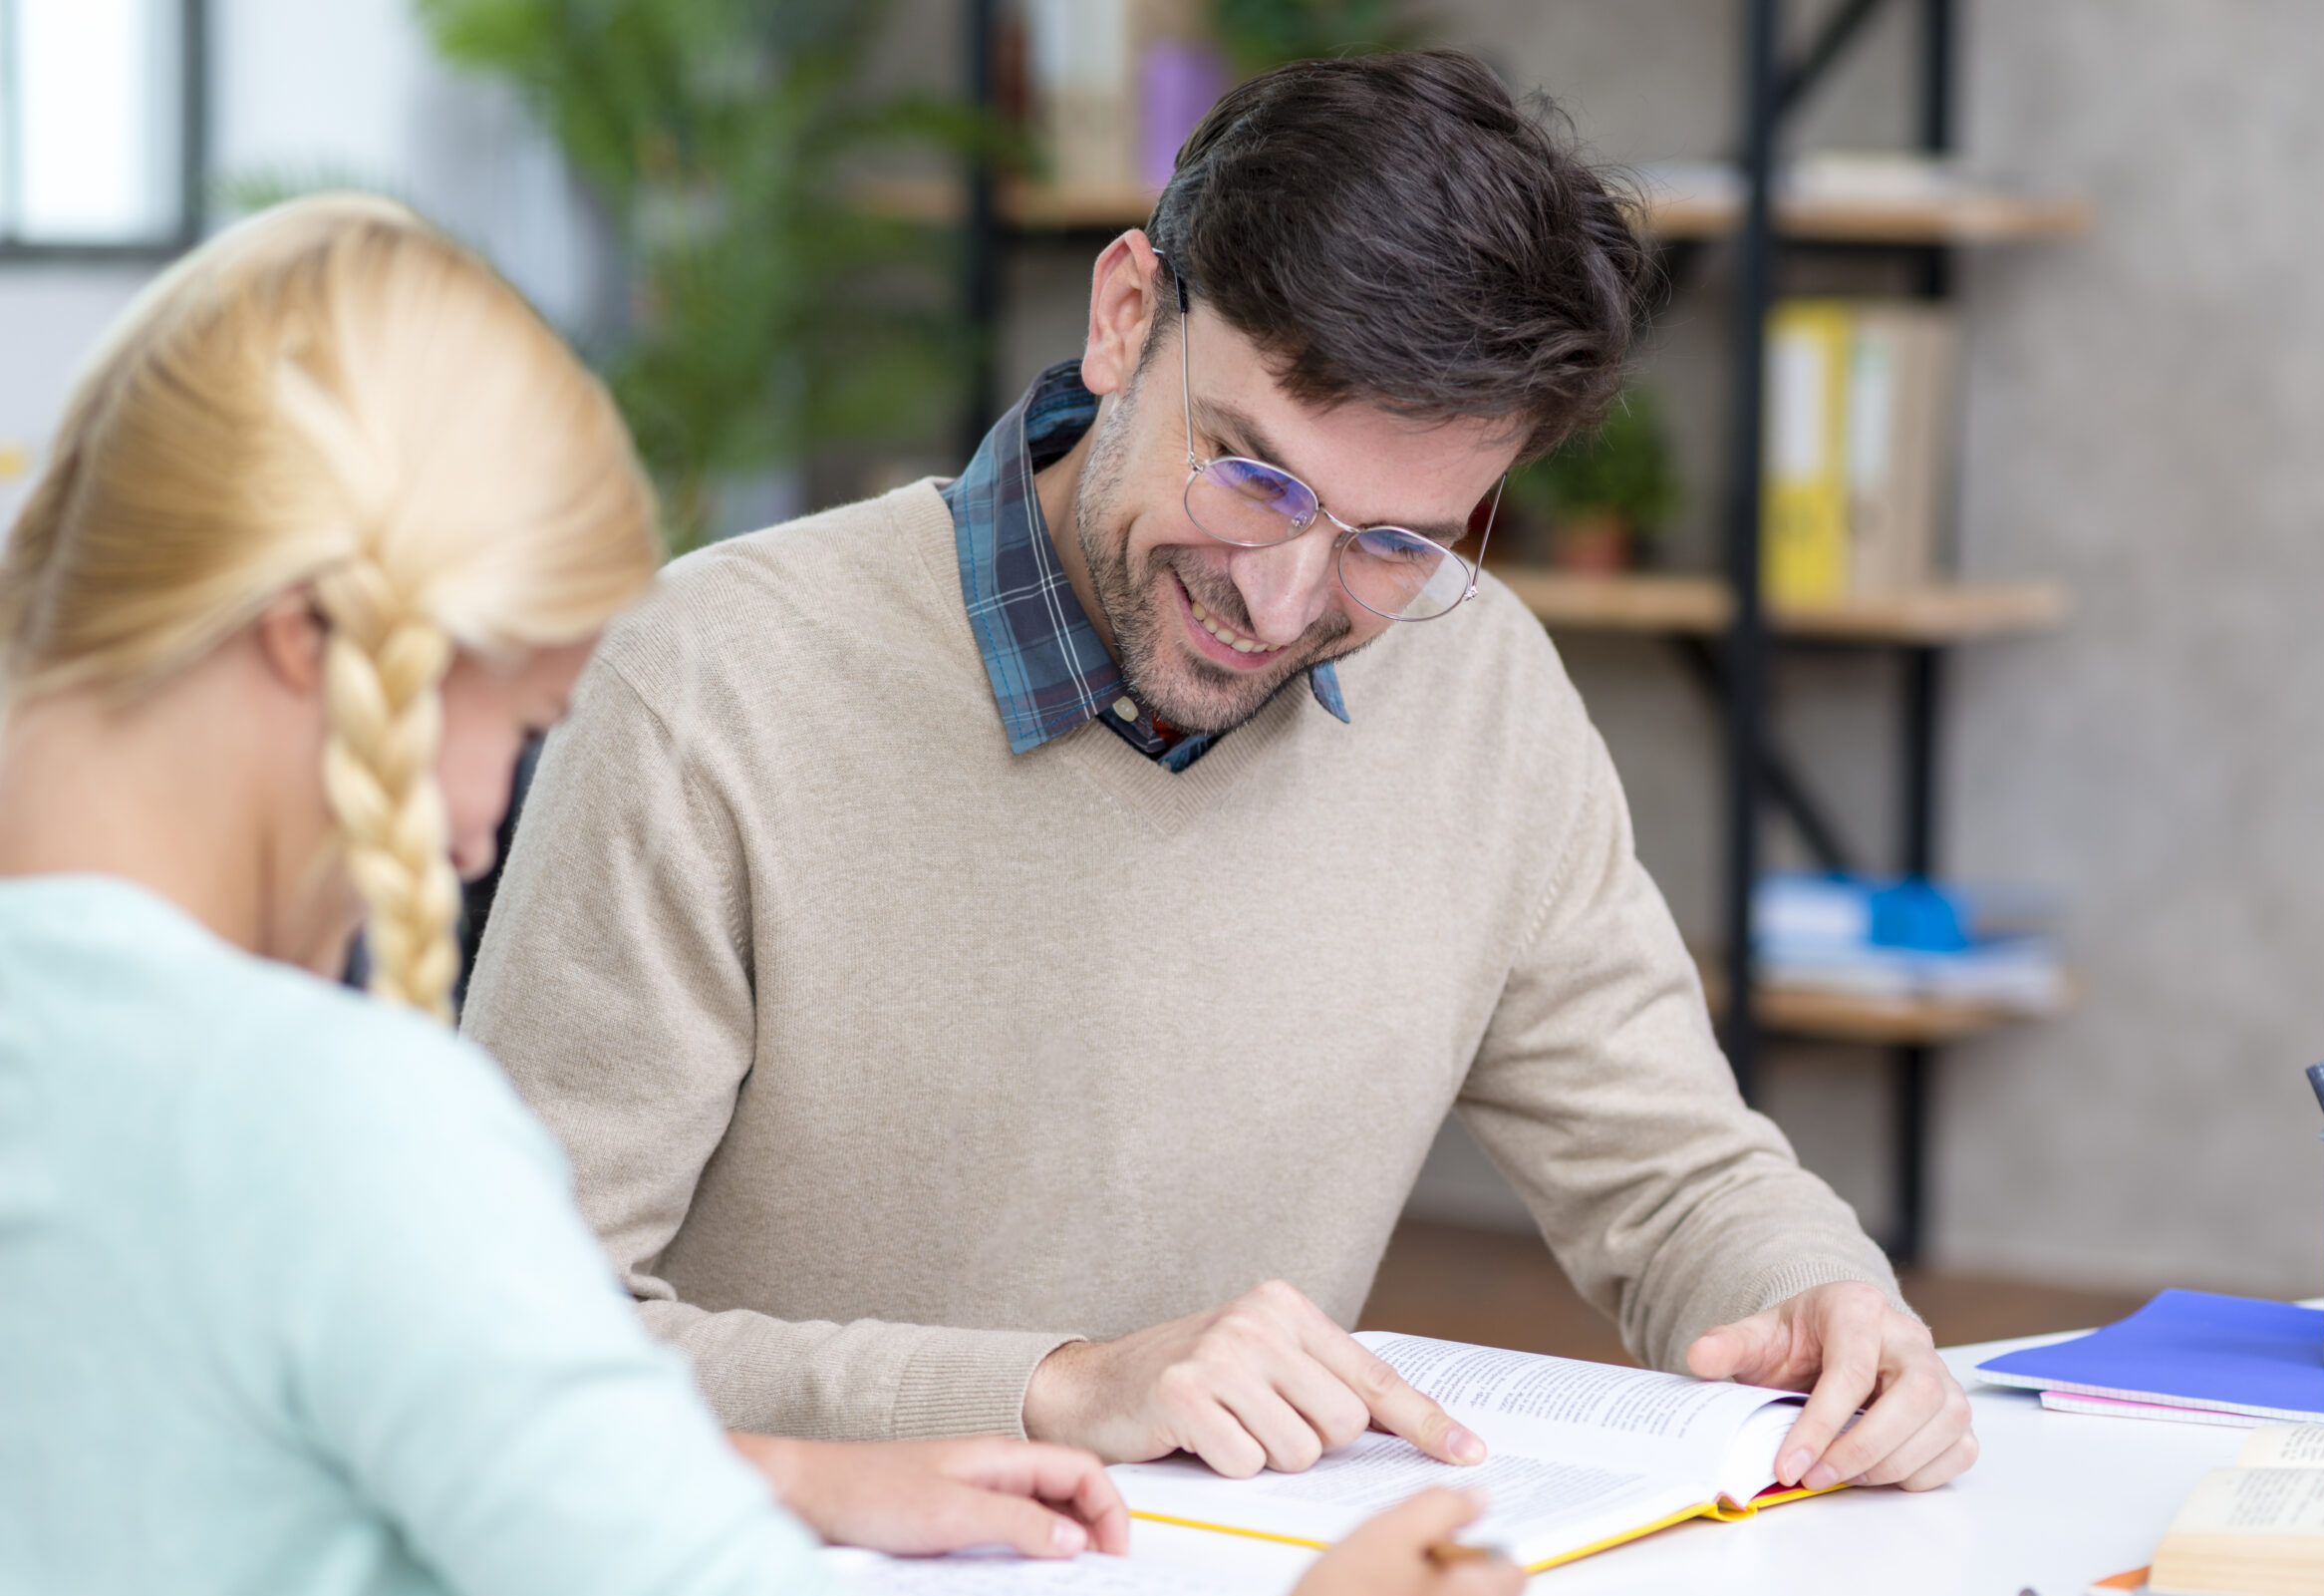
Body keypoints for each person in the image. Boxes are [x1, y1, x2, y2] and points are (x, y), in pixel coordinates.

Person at [0, 193, 1521, 1596]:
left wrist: (766, 1476)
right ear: (314, 638)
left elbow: (217, 1496)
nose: (476, 835)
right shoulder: (330, 1129)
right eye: (524, 725)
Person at [463, 50, 1977, 1495]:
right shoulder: (712, 681)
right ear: (1125, 315)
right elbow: (505, 1341)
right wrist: (1054, 1387)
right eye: (1250, 474)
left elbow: (1678, 1176)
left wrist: (1823, 1295)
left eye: (1399, 542)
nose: (1279, 596)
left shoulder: (1478, 685)